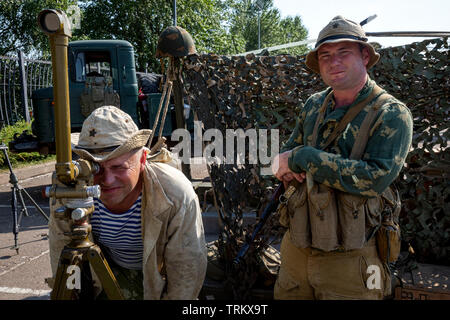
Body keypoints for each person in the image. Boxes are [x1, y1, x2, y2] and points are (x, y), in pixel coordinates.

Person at [271, 16, 413, 299]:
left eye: (343, 53)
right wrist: (283, 163)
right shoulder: (313, 106)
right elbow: (282, 159)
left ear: (365, 55)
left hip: (354, 259)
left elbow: (373, 178)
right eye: (325, 56)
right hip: (297, 248)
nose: (333, 62)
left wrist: (305, 159)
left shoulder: (392, 114)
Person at [48, 105, 207, 300]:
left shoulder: (174, 193)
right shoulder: (72, 190)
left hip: (156, 277)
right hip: (102, 271)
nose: (107, 180)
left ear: (142, 159)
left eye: (118, 167)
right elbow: (60, 247)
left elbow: (186, 269)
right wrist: (69, 292)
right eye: (97, 169)